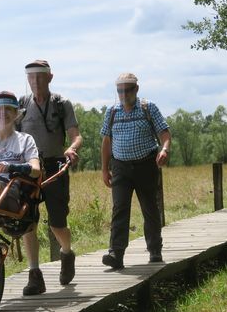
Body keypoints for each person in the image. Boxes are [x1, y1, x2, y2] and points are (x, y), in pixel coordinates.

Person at [16, 60, 83, 295]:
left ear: (50, 77)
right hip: (28, 170)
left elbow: (76, 135)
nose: (35, 81)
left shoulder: (61, 104)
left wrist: (71, 149)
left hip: (55, 166)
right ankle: (34, 275)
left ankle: (66, 252)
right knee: (28, 222)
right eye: (31, 77)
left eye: (40, 77)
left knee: (57, 223)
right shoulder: (21, 105)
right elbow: (10, 135)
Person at [100, 72, 171, 269]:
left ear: (136, 89)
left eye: (127, 90)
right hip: (120, 167)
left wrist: (164, 150)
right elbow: (106, 141)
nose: (123, 94)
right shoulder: (112, 112)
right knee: (119, 209)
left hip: (145, 165)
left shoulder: (149, 108)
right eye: (120, 90)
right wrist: (105, 169)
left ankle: (155, 250)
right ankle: (116, 254)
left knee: (150, 208)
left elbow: (164, 133)